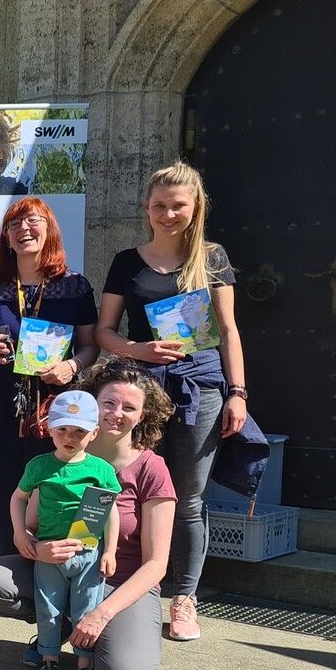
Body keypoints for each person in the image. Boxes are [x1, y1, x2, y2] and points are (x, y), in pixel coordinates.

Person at [0, 359, 178, 670]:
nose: (116, 413)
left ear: (143, 415)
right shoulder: (61, 454)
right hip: (57, 567)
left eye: (130, 407)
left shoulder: (151, 469)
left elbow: (156, 564)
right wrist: (36, 548)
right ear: (92, 405)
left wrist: (102, 614)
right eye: (108, 403)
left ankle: (92, 633)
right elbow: (31, 522)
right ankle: (60, 629)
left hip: (120, 583)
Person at [98, 162, 248, 642]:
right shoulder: (127, 260)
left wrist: (238, 393)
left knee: (187, 497)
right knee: (123, 485)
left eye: (177, 206)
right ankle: (122, 581)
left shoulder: (213, 257)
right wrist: (136, 350)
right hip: (138, 390)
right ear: (147, 207)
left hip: (198, 387)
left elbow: (227, 331)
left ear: (195, 207)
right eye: (159, 205)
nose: (167, 214)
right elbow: (103, 332)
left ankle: (184, 598)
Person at [0, 198, 100, 556]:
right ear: (6, 237)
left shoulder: (75, 286)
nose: (23, 230)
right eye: (14, 225)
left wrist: (71, 367)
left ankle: (52, 572)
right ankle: (10, 572)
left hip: (54, 408)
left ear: (49, 229)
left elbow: (90, 347)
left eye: (32, 221)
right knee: (4, 493)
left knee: (53, 489)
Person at [11, 390, 121, 670]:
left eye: (79, 431)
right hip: (50, 551)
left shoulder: (101, 470)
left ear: (94, 433)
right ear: (49, 429)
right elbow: (18, 498)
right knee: (49, 609)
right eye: (62, 429)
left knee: (86, 607)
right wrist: (21, 533)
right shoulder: (40, 465)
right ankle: (49, 660)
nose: (69, 437)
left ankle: (85, 663)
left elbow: (110, 511)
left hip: (89, 552)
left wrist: (110, 550)